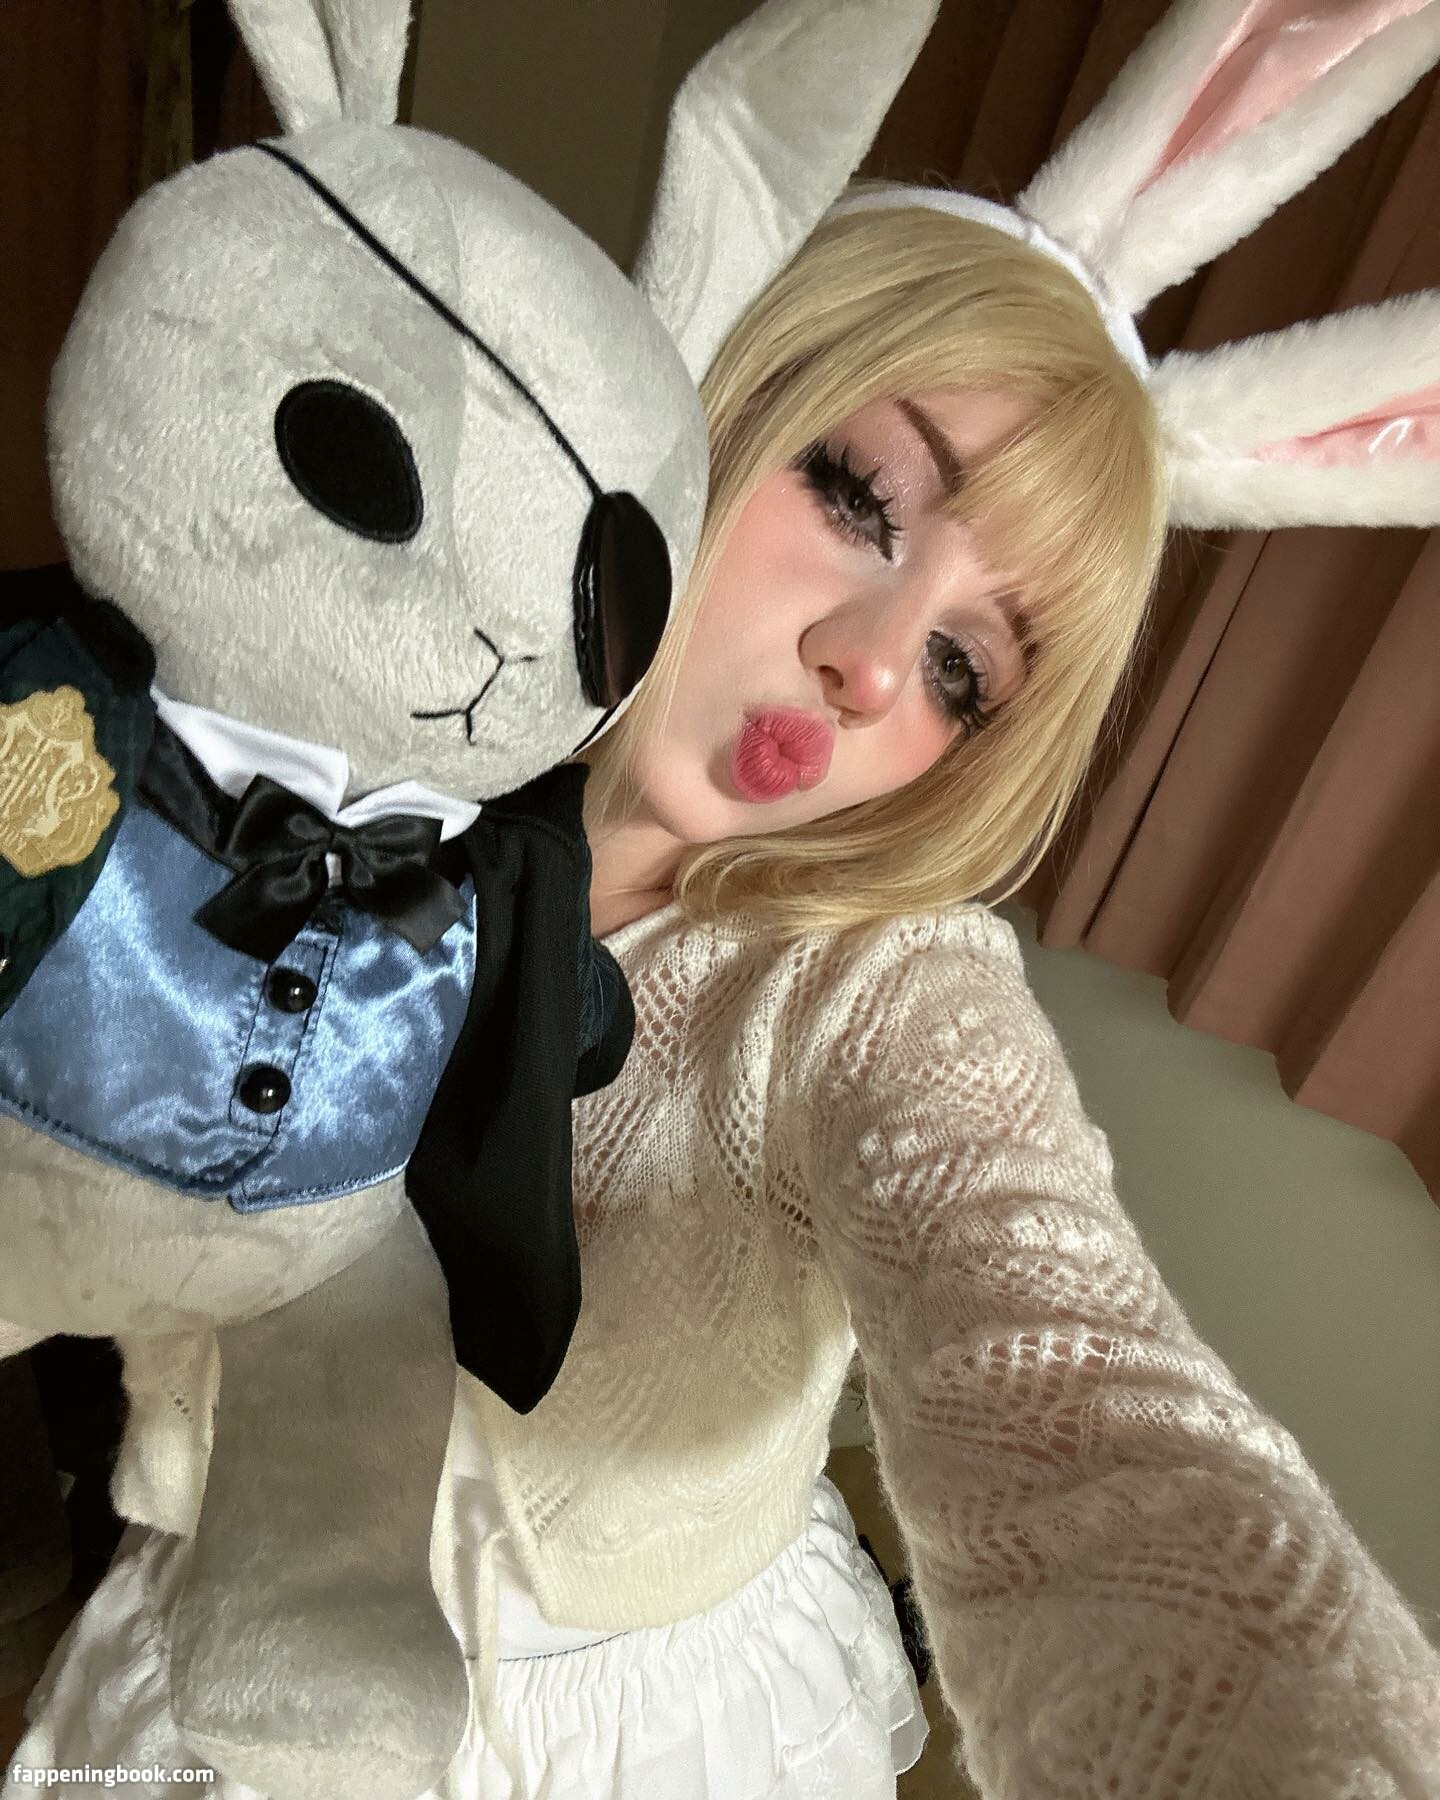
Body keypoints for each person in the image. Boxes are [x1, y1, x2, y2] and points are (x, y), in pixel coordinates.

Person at [9, 184, 1439, 1800]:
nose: (873, 664)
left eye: (965, 669)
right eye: (859, 495)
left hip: (673, 1733)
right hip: (225, 1651)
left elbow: (1068, 1373)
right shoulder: (276, 779)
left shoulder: (878, 996)